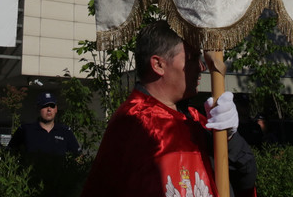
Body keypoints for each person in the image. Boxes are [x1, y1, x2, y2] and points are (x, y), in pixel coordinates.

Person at [82, 20, 257, 197]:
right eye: (192, 58)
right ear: (158, 65)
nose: (202, 67)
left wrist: (230, 138)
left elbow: (244, 179)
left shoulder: (196, 120)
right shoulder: (132, 124)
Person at [8, 92, 81, 197]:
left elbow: (78, 157)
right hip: (30, 188)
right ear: (38, 109)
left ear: (56, 109)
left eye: (52, 106)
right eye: (45, 106)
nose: (49, 109)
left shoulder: (65, 131)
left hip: (59, 188)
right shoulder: (25, 130)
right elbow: (10, 155)